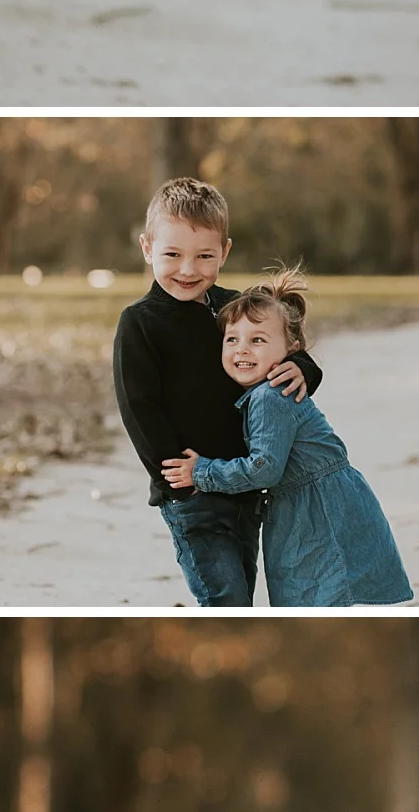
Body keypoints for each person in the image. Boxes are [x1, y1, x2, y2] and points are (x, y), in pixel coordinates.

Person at [112, 178, 321, 608]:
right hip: (192, 492)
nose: (188, 270)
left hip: (245, 484)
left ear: (224, 252)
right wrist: (177, 481)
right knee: (224, 596)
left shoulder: (236, 309)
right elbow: (139, 407)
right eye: (172, 255)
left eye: (204, 256)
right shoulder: (141, 323)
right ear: (147, 248)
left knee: (240, 590)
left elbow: (285, 344)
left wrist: (302, 368)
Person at [159, 270, 412, 609]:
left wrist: (201, 472)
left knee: (318, 599)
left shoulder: (269, 397)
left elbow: (264, 468)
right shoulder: (262, 391)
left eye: (258, 340)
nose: (242, 350)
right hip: (312, 503)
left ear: (292, 349)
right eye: (232, 339)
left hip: (317, 510)